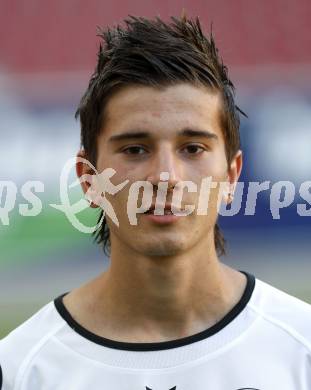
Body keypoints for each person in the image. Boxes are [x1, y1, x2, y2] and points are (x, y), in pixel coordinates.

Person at [0, 13, 310, 390]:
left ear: (231, 176)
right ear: (88, 179)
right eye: (135, 149)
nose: (165, 176)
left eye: (193, 148)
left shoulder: (301, 350)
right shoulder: (20, 370)